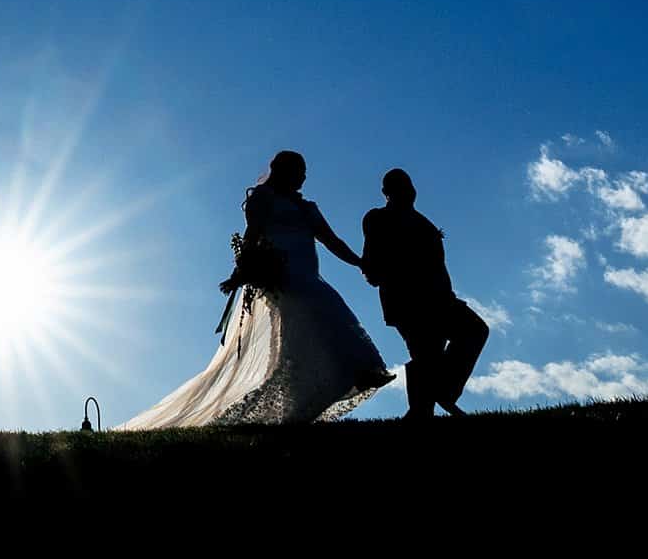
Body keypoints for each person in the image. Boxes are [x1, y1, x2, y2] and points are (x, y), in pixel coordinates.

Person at [120, 150, 396, 429]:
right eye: (298, 170)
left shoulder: (308, 207)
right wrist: (242, 272)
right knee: (324, 315)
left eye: (304, 171)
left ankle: (341, 381)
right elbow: (252, 236)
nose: (303, 176)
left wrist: (360, 263)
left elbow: (331, 240)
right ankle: (354, 374)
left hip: (309, 276)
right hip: (281, 280)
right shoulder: (263, 199)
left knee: (317, 329)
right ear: (283, 170)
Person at [360, 168, 490, 421]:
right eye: (400, 187)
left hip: (439, 298)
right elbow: (373, 264)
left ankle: (437, 397)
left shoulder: (423, 222)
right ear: (387, 193)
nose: (408, 192)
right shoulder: (378, 219)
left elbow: (438, 265)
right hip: (407, 300)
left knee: (471, 332)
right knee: (426, 354)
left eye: (409, 186)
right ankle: (425, 409)